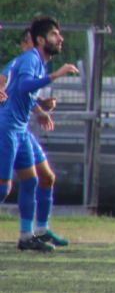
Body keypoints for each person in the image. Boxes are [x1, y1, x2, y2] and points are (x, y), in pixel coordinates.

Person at [0, 17, 79, 252]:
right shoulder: (29, 59)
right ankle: (33, 233)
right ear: (40, 40)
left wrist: (40, 107)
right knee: (3, 188)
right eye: (55, 34)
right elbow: (21, 86)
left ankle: (29, 235)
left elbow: (20, 92)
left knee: (37, 179)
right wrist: (57, 75)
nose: (60, 38)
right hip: (8, 128)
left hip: (20, 129)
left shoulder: (37, 62)